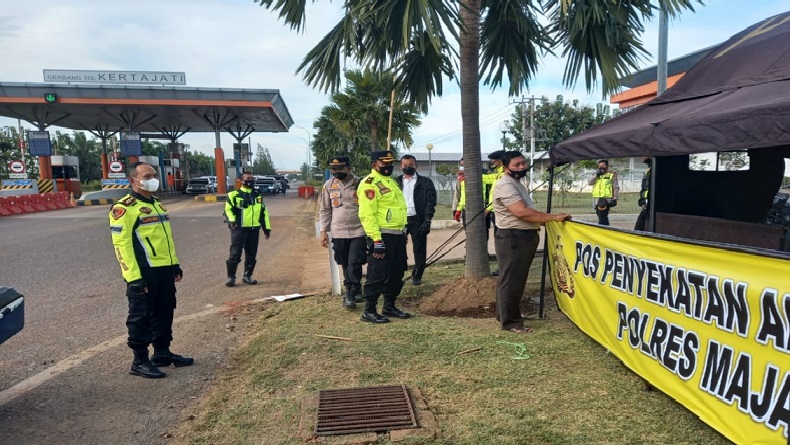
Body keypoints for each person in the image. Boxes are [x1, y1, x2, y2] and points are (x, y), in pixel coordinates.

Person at [109, 162, 192, 379]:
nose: (152, 179)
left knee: (165, 311)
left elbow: (165, 240)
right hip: (143, 272)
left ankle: (162, 353)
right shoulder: (124, 208)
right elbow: (122, 245)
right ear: (133, 180)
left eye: (154, 175)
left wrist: (174, 264)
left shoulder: (156, 203)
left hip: (163, 269)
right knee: (141, 316)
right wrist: (133, 277)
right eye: (147, 175)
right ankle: (140, 361)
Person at [493, 151, 572, 334]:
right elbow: (521, 212)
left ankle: (504, 314)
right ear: (505, 168)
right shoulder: (505, 185)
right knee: (512, 279)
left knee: (514, 279)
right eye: (516, 165)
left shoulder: (516, 183)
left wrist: (544, 220)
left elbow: (527, 211)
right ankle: (511, 322)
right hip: (514, 238)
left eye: (523, 163)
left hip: (522, 236)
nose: (522, 167)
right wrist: (553, 218)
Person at [357, 150, 410, 324]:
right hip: (382, 235)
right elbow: (367, 214)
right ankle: (369, 310)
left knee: (397, 272)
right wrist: (376, 239)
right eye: (384, 164)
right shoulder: (369, 184)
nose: (388, 167)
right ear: (374, 165)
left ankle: (389, 306)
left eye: (390, 164)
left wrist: (403, 230)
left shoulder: (391, 182)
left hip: (397, 234)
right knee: (377, 274)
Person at [319, 156, 367, 308]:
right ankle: (356, 288)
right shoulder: (328, 185)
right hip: (338, 231)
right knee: (345, 262)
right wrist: (323, 231)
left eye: (340, 168)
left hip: (358, 230)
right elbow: (325, 210)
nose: (337, 171)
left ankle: (350, 294)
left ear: (349, 168)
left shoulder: (360, 183)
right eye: (334, 169)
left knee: (355, 261)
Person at [396, 154, 437, 285]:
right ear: (401, 166)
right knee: (398, 248)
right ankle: (398, 274)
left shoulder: (425, 182)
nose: (408, 167)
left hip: (418, 219)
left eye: (411, 165)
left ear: (416, 166)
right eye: (405, 165)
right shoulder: (395, 182)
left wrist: (427, 220)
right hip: (400, 220)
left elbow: (431, 202)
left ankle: (417, 275)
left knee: (419, 249)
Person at [224, 172, 271, 287]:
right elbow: (228, 210)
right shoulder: (233, 195)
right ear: (241, 181)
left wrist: (266, 229)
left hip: (254, 229)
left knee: (251, 254)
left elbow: (263, 213)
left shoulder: (257, 195)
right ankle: (231, 277)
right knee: (235, 253)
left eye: (252, 178)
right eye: (248, 178)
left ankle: (247, 276)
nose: (250, 180)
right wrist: (231, 221)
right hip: (239, 229)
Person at [484, 150, 506, 276]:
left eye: (494, 162)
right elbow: (487, 179)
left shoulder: (504, 174)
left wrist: (488, 208)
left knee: (502, 240)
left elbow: (499, 196)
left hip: (500, 211)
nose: (492, 164)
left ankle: (503, 267)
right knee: (498, 239)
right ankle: (501, 266)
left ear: (500, 161)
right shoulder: (498, 174)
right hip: (496, 211)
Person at [588, 159, 619, 226]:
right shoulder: (596, 175)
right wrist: (596, 175)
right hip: (597, 199)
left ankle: (602, 229)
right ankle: (606, 228)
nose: (601, 167)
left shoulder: (611, 175)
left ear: (607, 166)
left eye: (603, 166)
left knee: (602, 216)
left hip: (606, 199)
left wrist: (615, 198)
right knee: (600, 215)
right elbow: (590, 183)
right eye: (599, 166)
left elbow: (615, 187)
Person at [634, 156, 652, 231]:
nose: (642, 156)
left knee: (640, 228)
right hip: (646, 204)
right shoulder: (649, 168)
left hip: (652, 204)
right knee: (639, 228)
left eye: (645, 154)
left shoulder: (656, 167)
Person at [452, 158, 465, 225]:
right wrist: (455, 209)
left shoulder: (482, 176)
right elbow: (457, 194)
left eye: (463, 166)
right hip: (465, 209)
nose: (461, 168)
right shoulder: (460, 179)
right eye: (461, 166)